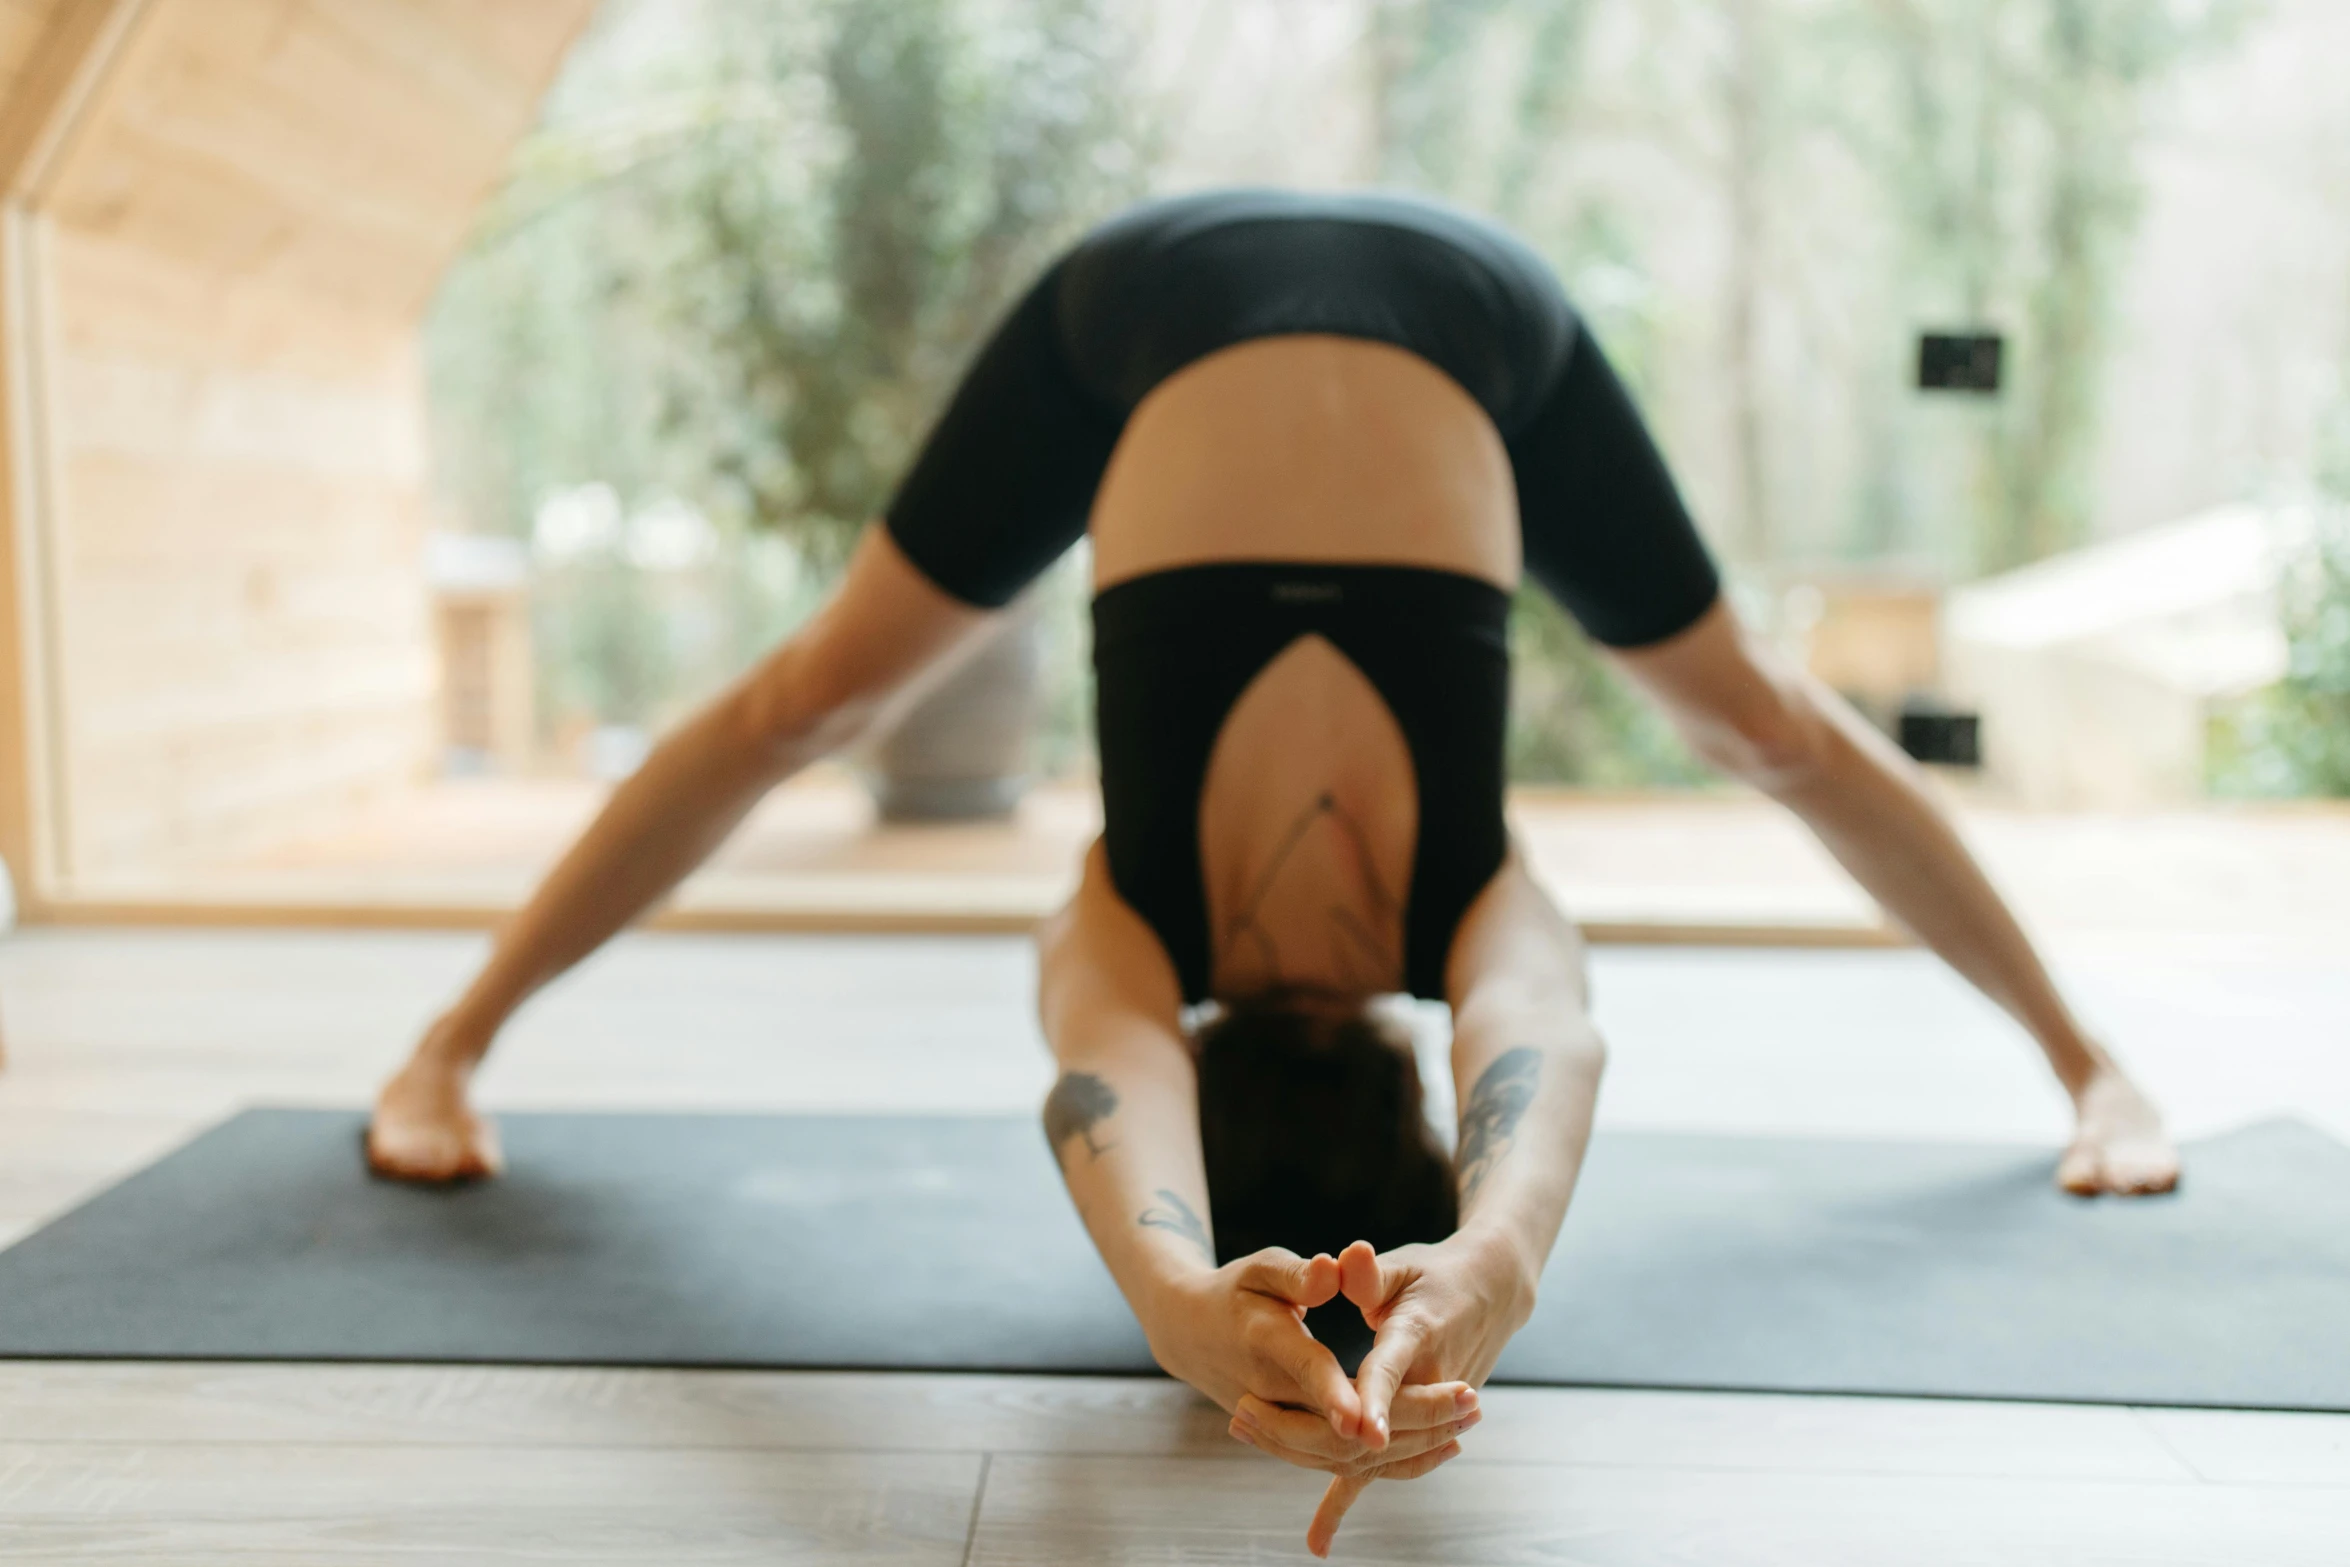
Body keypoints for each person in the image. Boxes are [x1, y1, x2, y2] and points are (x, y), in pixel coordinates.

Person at [368, 188, 2179, 1556]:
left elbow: (1112, 1105)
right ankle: (2081, 1052)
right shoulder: (1426, 907)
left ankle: (456, 1035)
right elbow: (1541, 1055)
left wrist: (1206, 1311)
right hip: (1483, 331)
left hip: (1137, 318)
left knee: (807, 695)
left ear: (1398, 1084)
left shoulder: (1133, 916)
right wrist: (1482, 1269)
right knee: (1759, 723)